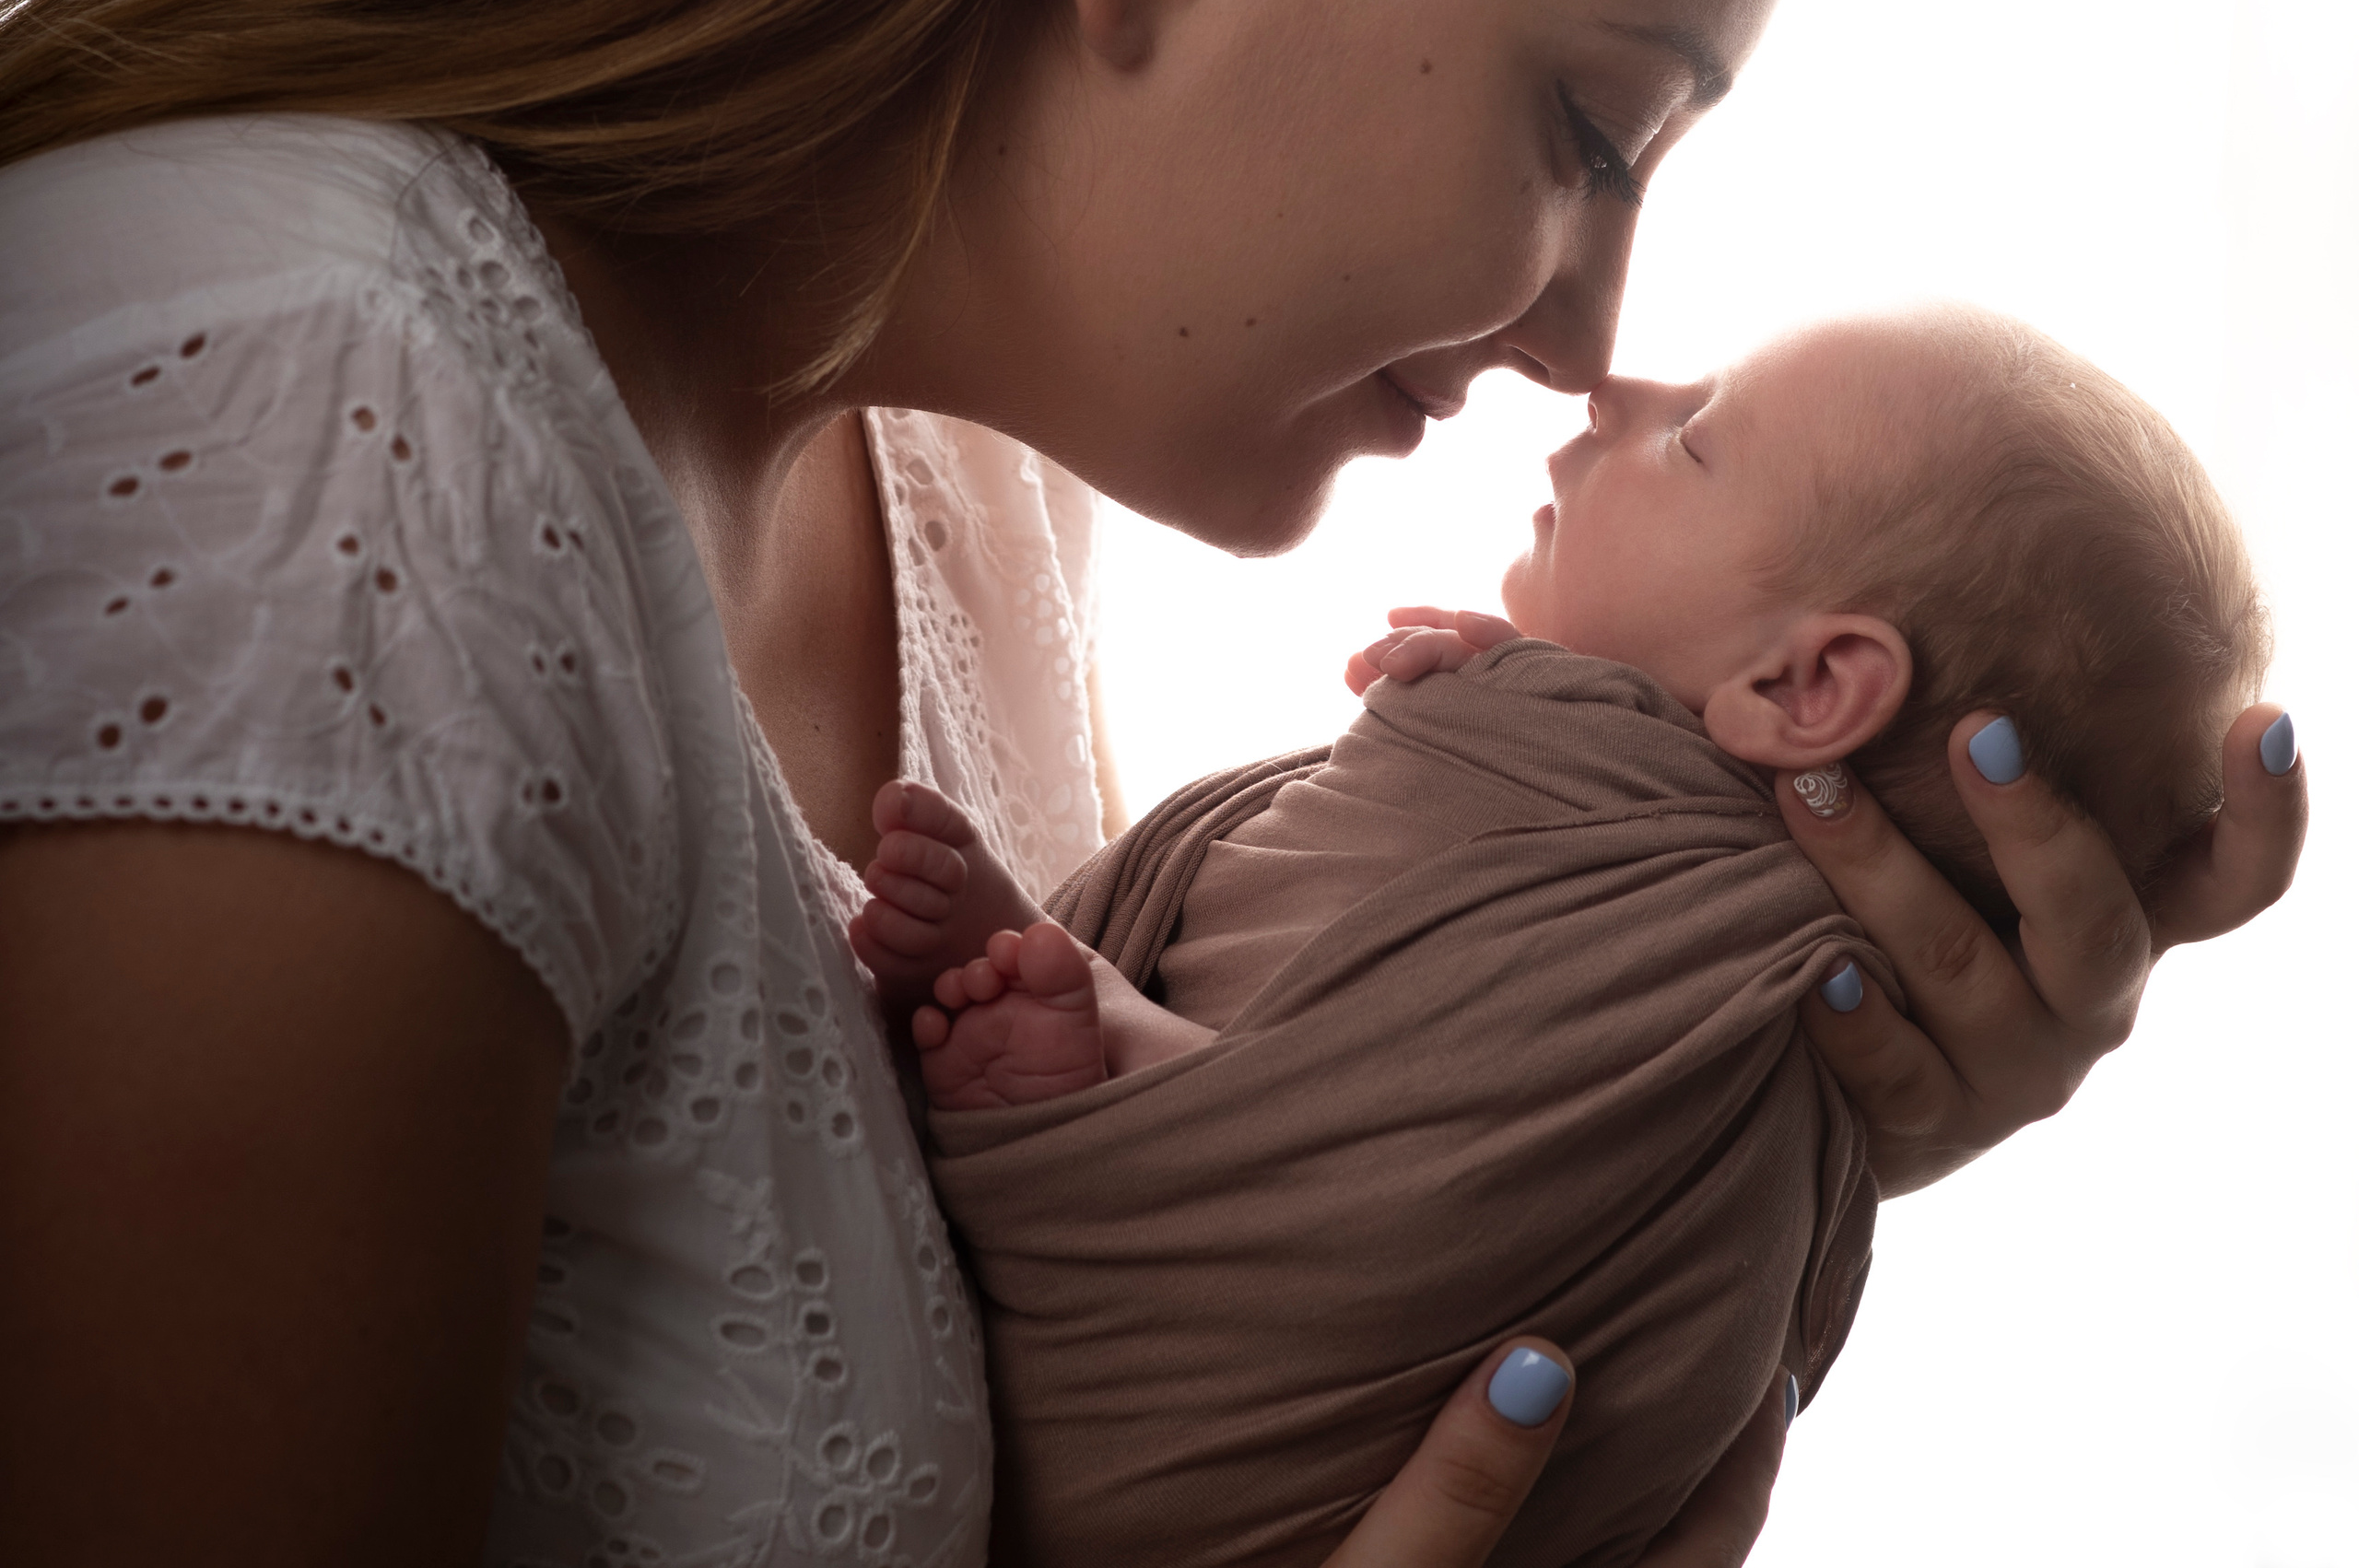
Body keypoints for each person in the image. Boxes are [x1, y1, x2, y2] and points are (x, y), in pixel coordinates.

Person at [0, 0, 2303, 1562]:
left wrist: (1662, 1102)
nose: (1589, 342)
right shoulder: (328, 454)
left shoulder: (976, 514)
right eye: (1590, 129)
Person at [850, 306, 2279, 1563]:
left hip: (1234, 1399)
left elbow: (1467, 1133)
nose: (1618, 387)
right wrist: (1493, 705)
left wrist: (1496, 710)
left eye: (1698, 436)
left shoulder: (1674, 926)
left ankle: (1125, 1055)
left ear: (1809, 687)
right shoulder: (1604, 829)